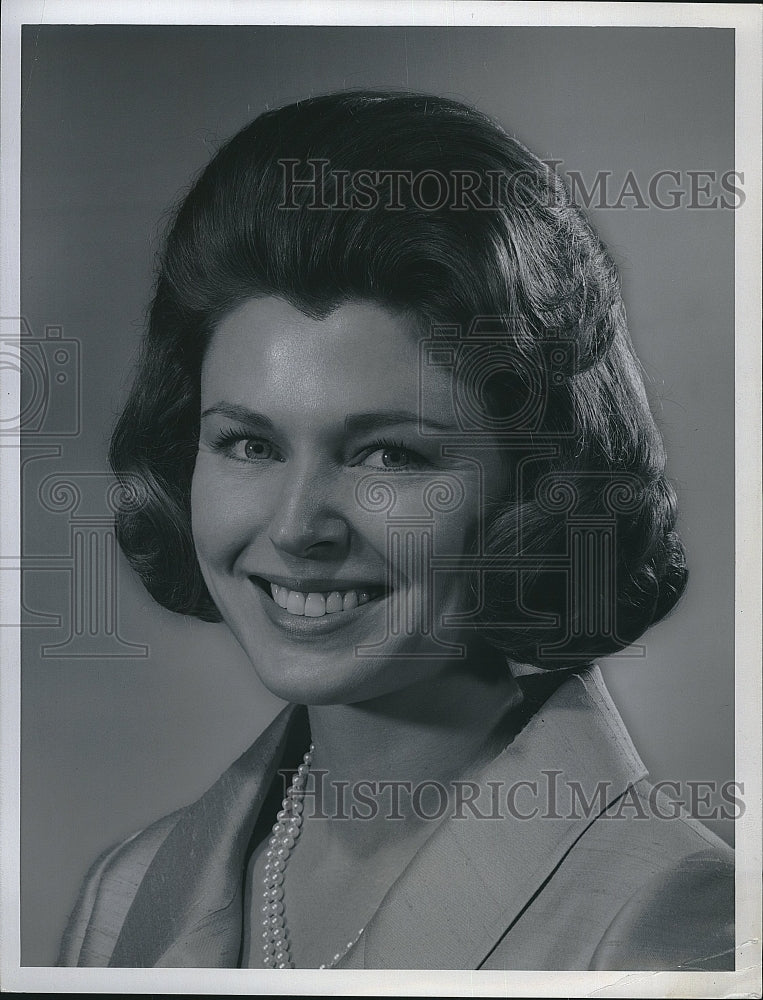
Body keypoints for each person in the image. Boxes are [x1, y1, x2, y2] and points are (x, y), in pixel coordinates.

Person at [57, 90, 734, 971]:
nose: (298, 527)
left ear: (536, 487)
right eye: (249, 443)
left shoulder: (660, 913)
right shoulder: (129, 895)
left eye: (388, 458)